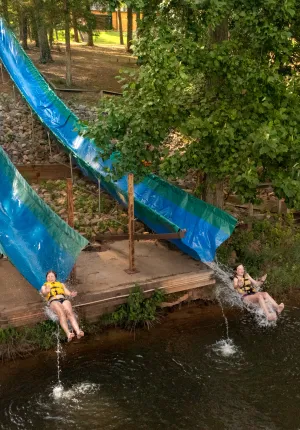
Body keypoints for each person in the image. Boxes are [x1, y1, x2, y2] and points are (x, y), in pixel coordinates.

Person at [40, 270, 84, 342]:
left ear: (55, 278)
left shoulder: (61, 284)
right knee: (61, 314)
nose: (50, 278)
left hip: (63, 299)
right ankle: (68, 333)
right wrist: (47, 291)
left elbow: (67, 292)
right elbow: (44, 294)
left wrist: (71, 294)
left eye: (52, 276)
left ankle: (78, 331)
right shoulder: (44, 286)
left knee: (70, 313)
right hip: (53, 301)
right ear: (46, 278)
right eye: (48, 276)